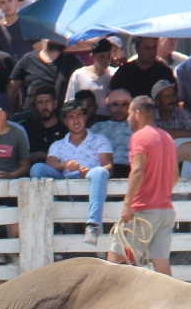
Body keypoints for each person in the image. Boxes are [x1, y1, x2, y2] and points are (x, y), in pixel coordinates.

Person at [108, 96, 176, 275]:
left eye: (130, 112)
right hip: (165, 209)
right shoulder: (167, 137)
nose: (127, 117)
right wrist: (161, 193)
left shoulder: (139, 137)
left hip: (143, 209)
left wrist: (128, 204)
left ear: (137, 113)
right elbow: (175, 175)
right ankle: (174, 302)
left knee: (115, 260)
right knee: (161, 265)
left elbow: (138, 171)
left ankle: (118, 302)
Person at [32, 99, 114, 242]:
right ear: (65, 121)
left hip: (91, 185)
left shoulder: (99, 139)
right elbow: (49, 163)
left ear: (85, 117)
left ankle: (93, 225)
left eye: (79, 115)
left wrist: (89, 172)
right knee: (37, 169)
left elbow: (109, 167)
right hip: (66, 189)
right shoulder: (58, 144)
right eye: (71, 117)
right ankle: (52, 221)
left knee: (100, 172)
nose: (76, 121)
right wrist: (65, 165)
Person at [109, 37, 176, 101]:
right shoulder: (124, 72)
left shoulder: (165, 72)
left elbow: (174, 99)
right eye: (147, 48)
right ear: (137, 49)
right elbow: (111, 97)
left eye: (154, 47)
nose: (152, 52)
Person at [16, 84, 66, 166]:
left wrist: (42, 154)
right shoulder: (27, 127)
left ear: (55, 104)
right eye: (40, 102)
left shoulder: (64, 128)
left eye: (47, 101)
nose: (44, 106)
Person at [10, 38, 70, 106]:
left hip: (57, 115)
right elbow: (11, 91)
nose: (57, 39)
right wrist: (11, 114)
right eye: (52, 35)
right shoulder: (28, 59)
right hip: (30, 114)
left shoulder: (73, 61)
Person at [91, 88, 133, 177]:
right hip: (105, 171)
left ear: (130, 106)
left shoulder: (135, 126)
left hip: (130, 170)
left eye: (124, 105)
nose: (119, 109)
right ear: (109, 106)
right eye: (115, 104)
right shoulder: (98, 127)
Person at [65, 39, 117, 107]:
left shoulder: (114, 74)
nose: (106, 60)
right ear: (92, 57)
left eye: (108, 56)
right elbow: (70, 102)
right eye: (102, 56)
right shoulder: (79, 75)